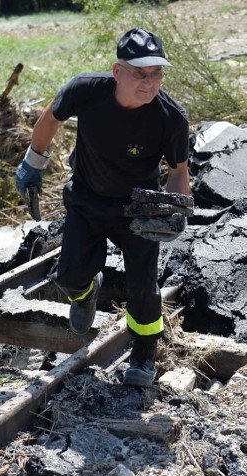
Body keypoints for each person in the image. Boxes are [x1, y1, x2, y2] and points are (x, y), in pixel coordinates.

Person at [14, 27, 191, 388]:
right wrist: (34, 162)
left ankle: (143, 356)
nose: (149, 82)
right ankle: (85, 292)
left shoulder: (170, 116)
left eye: (156, 72)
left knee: (143, 289)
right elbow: (50, 118)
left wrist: (173, 210)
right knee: (69, 276)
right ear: (117, 71)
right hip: (86, 199)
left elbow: (178, 171)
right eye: (140, 73)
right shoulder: (87, 90)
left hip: (138, 210)